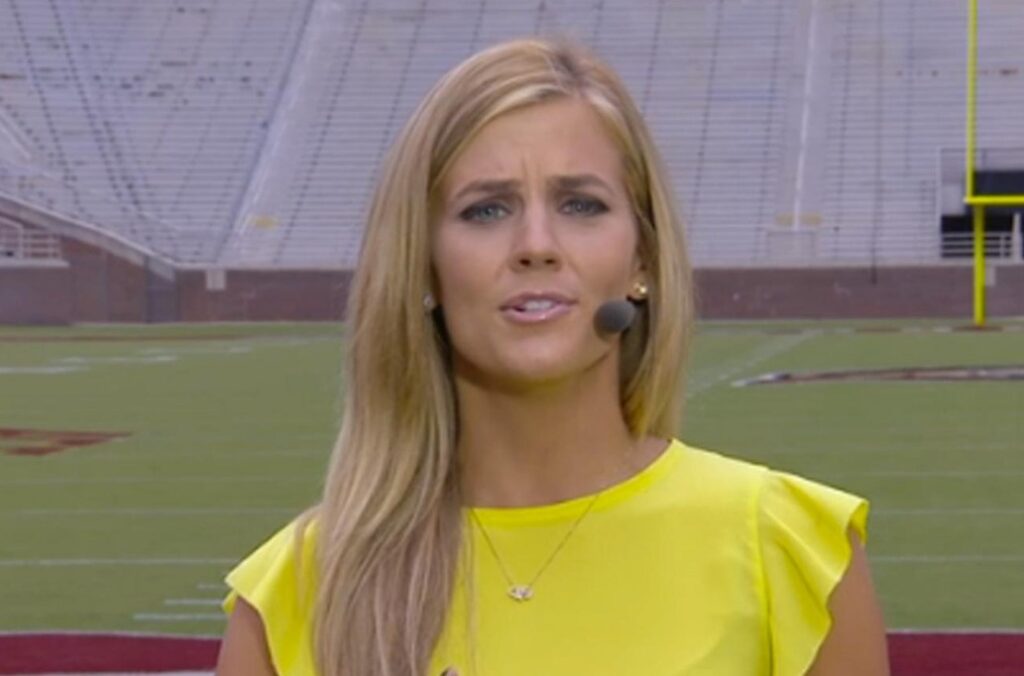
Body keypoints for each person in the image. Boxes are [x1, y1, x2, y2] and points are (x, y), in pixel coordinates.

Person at [215, 37, 889, 676]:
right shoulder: (297, 594)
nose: (536, 244)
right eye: (486, 210)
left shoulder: (789, 551)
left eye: (580, 204)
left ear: (642, 261)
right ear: (421, 266)